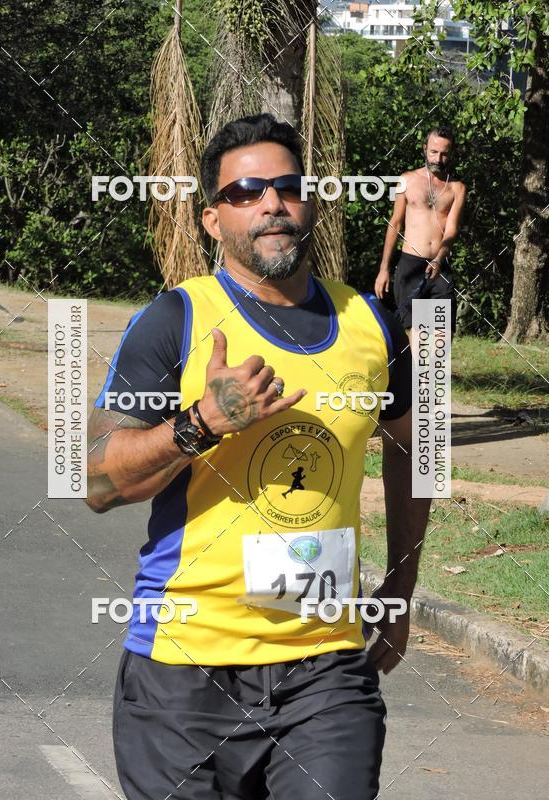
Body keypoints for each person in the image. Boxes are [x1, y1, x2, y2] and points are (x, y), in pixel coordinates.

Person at [86, 113, 432, 800]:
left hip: (323, 667)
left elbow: (416, 449)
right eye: (245, 191)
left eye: (286, 186)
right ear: (214, 220)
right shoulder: (174, 320)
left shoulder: (370, 322)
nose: (271, 202)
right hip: (183, 670)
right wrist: (201, 424)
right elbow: (95, 477)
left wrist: (399, 588)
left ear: (309, 203)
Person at [374, 126, 466, 345]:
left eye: (444, 153)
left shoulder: (457, 188)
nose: (438, 158)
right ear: (425, 149)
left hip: (439, 267)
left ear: (451, 153)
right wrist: (384, 269)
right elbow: (394, 224)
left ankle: (432, 380)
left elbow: (452, 229)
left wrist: (439, 259)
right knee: (420, 346)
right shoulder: (407, 180)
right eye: (434, 152)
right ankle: (416, 379)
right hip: (410, 266)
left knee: (440, 346)